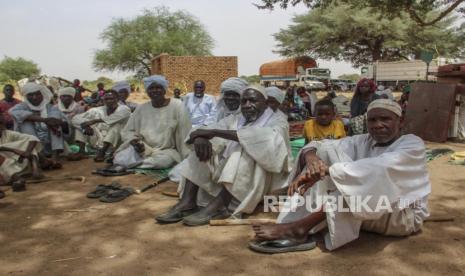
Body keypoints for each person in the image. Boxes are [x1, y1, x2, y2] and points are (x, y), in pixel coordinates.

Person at [250, 99, 431, 254]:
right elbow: (322, 145)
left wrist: (328, 171)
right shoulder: (363, 140)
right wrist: (313, 161)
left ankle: (299, 228)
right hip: (366, 215)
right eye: (372, 120)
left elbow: (379, 168)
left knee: (361, 184)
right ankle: (299, 222)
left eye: (385, 119)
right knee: (327, 156)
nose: (377, 125)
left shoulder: (412, 143)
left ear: (401, 121)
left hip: (399, 217)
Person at [156, 85, 292, 226]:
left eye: (253, 101)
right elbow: (211, 129)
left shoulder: (278, 120)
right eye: (244, 101)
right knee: (202, 147)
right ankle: (187, 202)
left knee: (244, 150)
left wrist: (215, 133)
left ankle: (220, 206)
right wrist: (201, 138)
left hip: (265, 177)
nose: (247, 105)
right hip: (230, 169)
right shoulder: (236, 118)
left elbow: (262, 140)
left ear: (265, 102)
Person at [111, 75, 191, 170]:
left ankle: (132, 165)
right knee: (120, 157)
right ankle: (130, 163)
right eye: (151, 88)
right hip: (143, 148)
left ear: (164, 89)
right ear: (147, 91)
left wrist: (186, 156)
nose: (155, 91)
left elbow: (184, 132)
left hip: (166, 151)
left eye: (158, 87)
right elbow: (128, 131)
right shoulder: (141, 108)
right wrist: (134, 141)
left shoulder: (177, 105)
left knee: (162, 162)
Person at [9, 83, 67, 169]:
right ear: (26, 96)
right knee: (25, 122)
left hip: (49, 145)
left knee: (55, 124)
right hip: (30, 147)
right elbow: (14, 112)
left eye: (37, 94)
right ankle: (41, 158)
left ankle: (55, 158)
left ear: (42, 94)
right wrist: (44, 120)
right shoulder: (21, 106)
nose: (34, 97)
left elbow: (56, 120)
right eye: (30, 95)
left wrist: (52, 122)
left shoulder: (50, 107)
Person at [72, 90, 131, 162]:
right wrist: (86, 126)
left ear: (117, 99)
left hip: (116, 143)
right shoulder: (97, 110)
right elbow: (76, 118)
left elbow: (114, 118)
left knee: (117, 125)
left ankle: (102, 153)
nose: (109, 101)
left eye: (111, 99)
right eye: (106, 99)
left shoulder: (124, 109)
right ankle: (81, 152)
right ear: (103, 100)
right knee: (82, 126)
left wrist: (94, 121)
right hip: (98, 141)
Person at [0, 112, 43, 190]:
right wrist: (14, 150)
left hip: (18, 162)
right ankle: (17, 179)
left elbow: (32, 138)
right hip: (5, 167)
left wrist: (27, 152)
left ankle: (35, 169)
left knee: (27, 144)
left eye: (1, 124)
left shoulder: (8, 133)